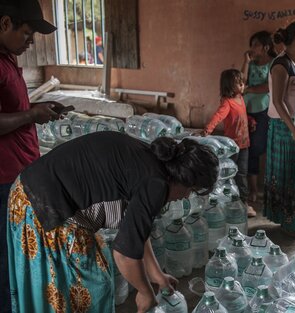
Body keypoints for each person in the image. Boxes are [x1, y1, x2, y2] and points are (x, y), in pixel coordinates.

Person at [7, 132, 219, 313]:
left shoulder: (154, 165)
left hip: (35, 194)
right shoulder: (156, 183)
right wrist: (145, 292)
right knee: (90, 288)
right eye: (191, 191)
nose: (185, 198)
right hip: (43, 206)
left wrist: (157, 276)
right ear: (184, 178)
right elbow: (125, 255)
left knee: (96, 282)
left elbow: (136, 232)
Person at [0, 1, 61, 311]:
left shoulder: (7, 58)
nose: (31, 42)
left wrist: (38, 109)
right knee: (5, 255)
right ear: (5, 23)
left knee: (19, 250)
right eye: (27, 33)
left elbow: (13, 110)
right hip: (3, 178)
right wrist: (31, 115)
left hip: (20, 173)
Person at [264, 21, 295, 239]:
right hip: (285, 128)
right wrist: (293, 128)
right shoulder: (281, 65)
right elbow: (277, 101)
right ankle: (289, 222)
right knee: (289, 173)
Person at [201, 69, 256, 217]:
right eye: (239, 83)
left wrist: (250, 121)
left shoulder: (240, 99)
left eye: (242, 82)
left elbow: (242, 116)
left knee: (242, 174)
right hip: (232, 147)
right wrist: (207, 129)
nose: (243, 85)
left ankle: (243, 203)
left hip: (245, 145)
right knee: (229, 174)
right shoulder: (227, 102)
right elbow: (218, 116)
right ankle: (228, 201)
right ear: (229, 86)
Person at [241, 31, 276, 206]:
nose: (252, 48)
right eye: (252, 44)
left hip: (263, 111)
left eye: (255, 45)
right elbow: (242, 81)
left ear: (266, 47)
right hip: (247, 110)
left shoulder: (273, 65)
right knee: (250, 149)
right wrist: (246, 62)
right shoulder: (252, 64)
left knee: (260, 147)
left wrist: (249, 90)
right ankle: (253, 189)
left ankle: (268, 188)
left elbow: (268, 87)